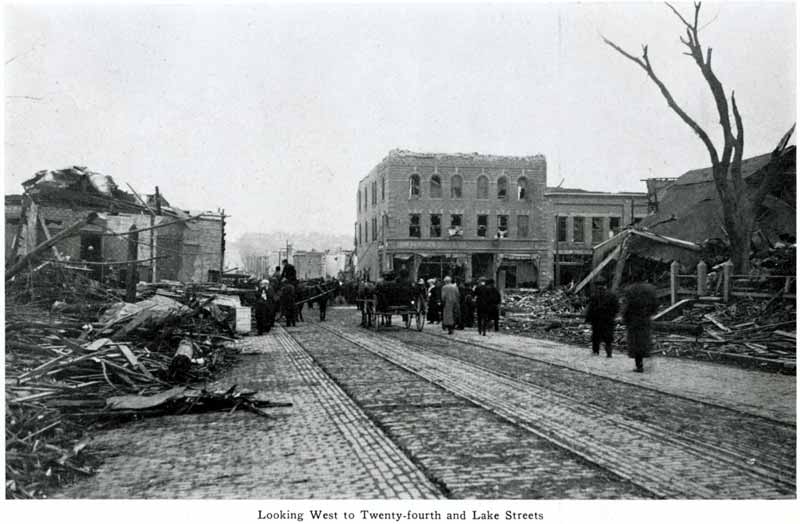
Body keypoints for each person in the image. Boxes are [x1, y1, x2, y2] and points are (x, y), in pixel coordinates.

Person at [623, 282, 659, 372]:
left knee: (636, 344)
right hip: (645, 321)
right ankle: (646, 359)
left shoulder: (631, 294)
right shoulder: (650, 293)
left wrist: (625, 320)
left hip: (634, 322)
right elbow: (654, 307)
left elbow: (627, 310)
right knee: (645, 342)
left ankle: (639, 365)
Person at [584, 277, 619, 357]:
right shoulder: (612, 295)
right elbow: (616, 307)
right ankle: (609, 353)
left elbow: (591, 309)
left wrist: (588, 318)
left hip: (597, 320)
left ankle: (596, 352)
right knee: (608, 338)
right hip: (608, 319)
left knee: (596, 336)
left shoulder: (594, 296)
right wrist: (612, 315)